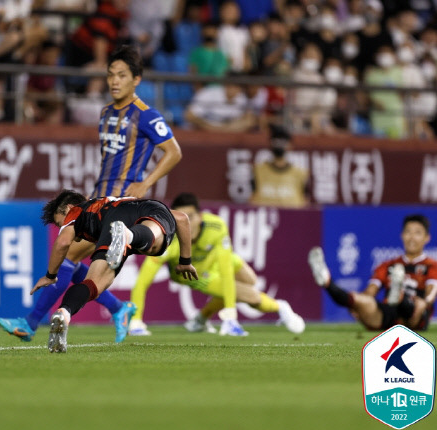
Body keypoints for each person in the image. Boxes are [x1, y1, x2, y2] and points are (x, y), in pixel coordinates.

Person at [0, 45, 184, 343]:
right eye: (110, 74)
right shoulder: (106, 113)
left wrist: (146, 183)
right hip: (99, 198)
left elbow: (174, 152)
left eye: (122, 75)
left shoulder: (146, 116)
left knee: (67, 256)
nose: (114, 81)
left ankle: (31, 323)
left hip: (122, 204)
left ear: (136, 80)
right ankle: (118, 308)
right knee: (72, 262)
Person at [33, 189, 198, 352]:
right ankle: (64, 314)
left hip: (115, 223)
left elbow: (63, 243)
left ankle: (64, 311)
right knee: (95, 285)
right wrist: (185, 261)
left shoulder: (76, 211)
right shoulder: (103, 204)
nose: (61, 226)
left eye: (59, 223)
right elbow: (182, 219)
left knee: (93, 283)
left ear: (68, 208)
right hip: (135, 214)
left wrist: (50, 275)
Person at [128, 192, 304, 337]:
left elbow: (226, 268)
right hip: (193, 273)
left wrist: (230, 316)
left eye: (190, 217)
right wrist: (136, 321)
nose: (186, 223)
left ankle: (201, 319)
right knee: (251, 296)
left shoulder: (216, 227)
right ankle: (281, 307)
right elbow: (142, 281)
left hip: (214, 259)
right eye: (181, 218)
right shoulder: (168, 239)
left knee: (249, 279)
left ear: (200, 216)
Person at [308, 214, 436, 331]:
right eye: (408, 232)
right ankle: (327, 281)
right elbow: (371, 291)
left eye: (417, 233)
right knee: (363, 301)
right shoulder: (387, 265)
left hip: (415, 315)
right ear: (402, 235)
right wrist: (358, 304)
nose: (412, 237)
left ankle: (400, 297)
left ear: (426, 238)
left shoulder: (432, 265)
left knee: (413, 307)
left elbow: (432, 290)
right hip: (388, 315)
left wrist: (425, 302)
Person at [251, 124, 308, 208]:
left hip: (292, 219)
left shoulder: (300, 173)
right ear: (270, 143)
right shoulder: (257, 170)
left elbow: (305, 201)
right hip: (265, 218)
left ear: (290, 145)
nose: (279, 144)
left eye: (283, 141)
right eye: (276, 141)